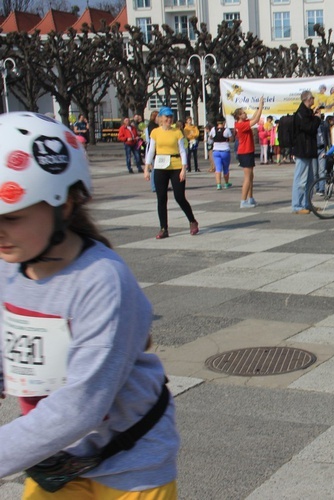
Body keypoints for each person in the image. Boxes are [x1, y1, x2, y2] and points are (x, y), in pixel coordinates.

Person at [0, 112, 179, 497]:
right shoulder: (8, 268)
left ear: (63, 205)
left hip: (132, 463)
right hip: (58, 458)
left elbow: (80, 405)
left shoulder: (101, 280)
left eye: (11, 217)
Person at [144, 107, 199, 239]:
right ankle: (164, 228)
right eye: (166, 117)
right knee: (161, 198)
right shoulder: (155, 132)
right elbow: (151, 150)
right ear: (161, 119)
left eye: (170, 117)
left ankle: (192, 221)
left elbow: (182, 151)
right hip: (160, 166)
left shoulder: (177, 132)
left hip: (175, 166)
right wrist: (147, 167)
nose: (168, 120)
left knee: (179, 197)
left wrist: (184, 169)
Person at [291, 90, 322, 214]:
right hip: (302, 150)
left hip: (308, 150)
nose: (314, 100)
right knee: (301, 180)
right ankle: (297, 205)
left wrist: (314, 115)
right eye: (312, 98)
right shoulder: (300, 113)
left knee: (309, 180)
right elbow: (309, 127)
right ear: (308, 99)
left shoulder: (306, 113)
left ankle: (307, 203)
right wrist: (317, 119)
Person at [234, 98, 265, 208]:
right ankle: (243, 201)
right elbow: (256, 120)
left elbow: (253, 117)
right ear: (239, 116)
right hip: (245, 152)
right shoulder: (240, 125)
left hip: (248, 151)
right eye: (243, 113)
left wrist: (258, 107)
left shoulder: (243, 122)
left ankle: (250, 198)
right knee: (247, 177)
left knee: (251, 176)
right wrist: (261, 106)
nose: (245, 113)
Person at [209, 117, 233, 190]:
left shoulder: (213, 129)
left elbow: (210, 137)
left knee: (218, 168)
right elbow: (231, 139)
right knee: (226, 168)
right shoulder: (227, 130)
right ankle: (226, 183)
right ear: (223, 123)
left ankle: (218, 184)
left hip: (216, 151)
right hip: (225, 150)